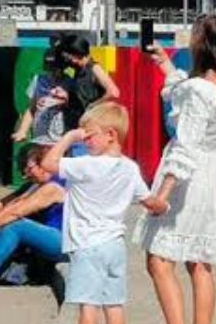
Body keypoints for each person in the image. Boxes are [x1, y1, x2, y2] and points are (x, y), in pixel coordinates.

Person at [136, 16, 216, 324]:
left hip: (190, 179)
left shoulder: (198, 90)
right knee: (200, 262)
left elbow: (186, 144)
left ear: (200, 44)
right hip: (214, 176)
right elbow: (180, 92)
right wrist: (166, 66)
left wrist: (162, 195)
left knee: (159, 260)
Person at [40, 103, 166, 324]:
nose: (84, 140)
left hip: (86, 245)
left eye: (90, 135)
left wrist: (69, 137)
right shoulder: (130, 168)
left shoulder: (84, 165)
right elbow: (149, 202)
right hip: (114, 245)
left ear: (111, 135)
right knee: (114, 304)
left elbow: (48, 163)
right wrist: (164, 206)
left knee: (89, 306)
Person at [0, 144, 67, 289]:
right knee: (6, 224)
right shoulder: (37, 185)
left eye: (29, 168)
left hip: (65, 242)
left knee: (17, 226)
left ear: (43, 164)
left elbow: (16, 212)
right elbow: (6, 205)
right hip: (52, 239)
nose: (25, 174)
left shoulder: (54, 186)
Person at [59, 34, 120, 131]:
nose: (71, 61)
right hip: (79, 123)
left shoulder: (94, 68)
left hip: (93, 124)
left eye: (72, 57)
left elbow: (114, 92)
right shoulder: (77, 70)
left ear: (79, 54)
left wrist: (93, 106)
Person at [12, 45, 70, 145]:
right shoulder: (39, 80)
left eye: (55, 69)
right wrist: (23, 131)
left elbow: (76, 107)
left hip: (59, 140)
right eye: (49, 69)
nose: (51, 73)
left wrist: (61, 101)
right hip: (39, 138)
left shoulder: (69, 83)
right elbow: (31, 109)